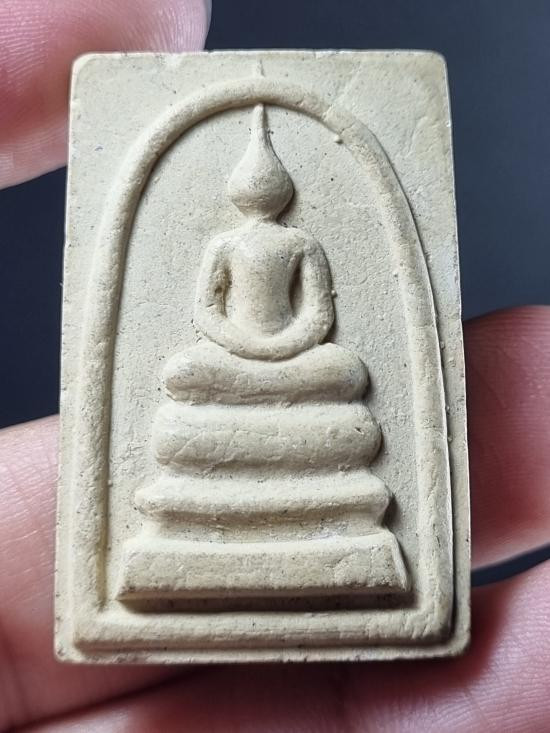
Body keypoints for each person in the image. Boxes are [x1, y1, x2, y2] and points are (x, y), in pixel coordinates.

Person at [1, 2, 549, 730]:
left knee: (343, 374)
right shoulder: (224, 245)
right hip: (229, 363)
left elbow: (317, 315)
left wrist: (283, 350)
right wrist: (248, 351)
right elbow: (207, 314)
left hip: (296, 362)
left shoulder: (302, 245)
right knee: (182, 379)